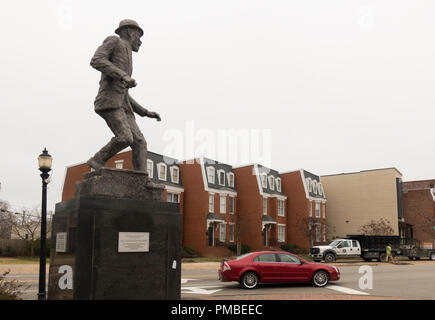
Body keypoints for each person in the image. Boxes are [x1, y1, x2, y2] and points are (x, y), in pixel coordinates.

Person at [87, 19, 161, 174]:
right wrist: (123, 76)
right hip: (110, 102)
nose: (140, 41)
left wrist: (145, 112)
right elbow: (97, 60)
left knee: (140, 142)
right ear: (129, 32)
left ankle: (142, 180)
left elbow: (124, 92)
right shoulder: (114, 41)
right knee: (125, 137)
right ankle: (97, 159)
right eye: (138, 36)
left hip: (123, 105)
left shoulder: (128, 54)